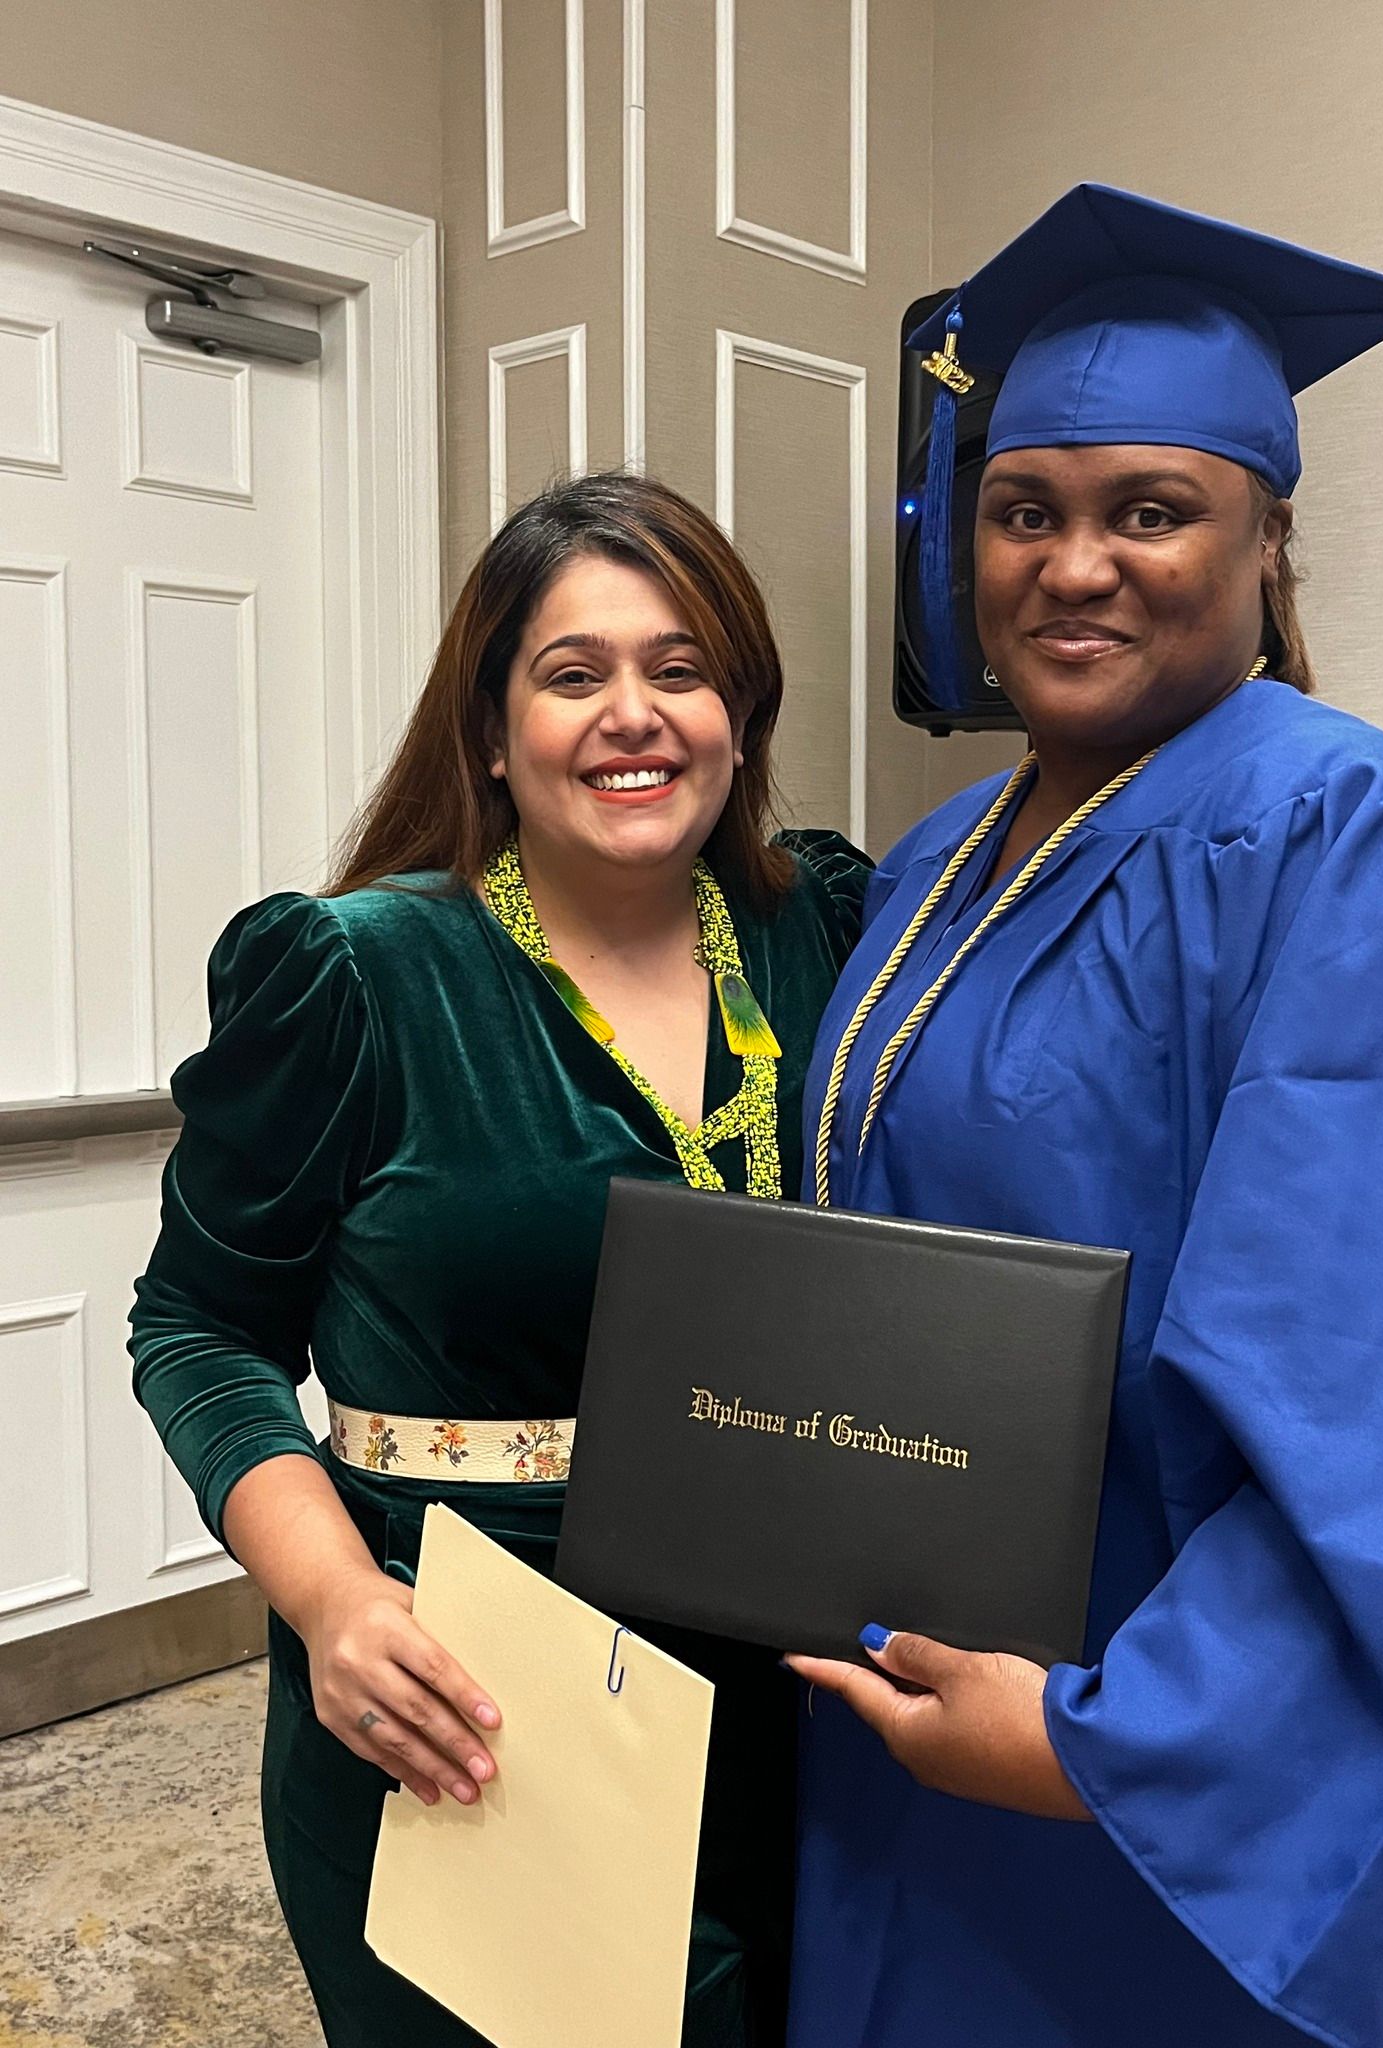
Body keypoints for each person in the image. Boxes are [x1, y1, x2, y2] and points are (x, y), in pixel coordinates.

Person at [786, 185, 1383, 2048]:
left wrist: (1113, 1738)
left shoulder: (1365, 845)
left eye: (1150, 511)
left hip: (1138, 1748)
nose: (1074, 564)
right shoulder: (939, 853)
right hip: (904, 1685)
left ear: (1268, 539)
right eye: (1023, 510)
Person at [129, 471, 868, 2048]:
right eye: (573, 673)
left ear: (741, 711)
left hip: (778, 1673)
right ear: (488, 728)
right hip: (466, 1678)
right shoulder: (359, 973)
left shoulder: (820, 932)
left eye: (681, 669)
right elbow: (196, 1326)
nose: (635, 715)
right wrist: (331, 1603)